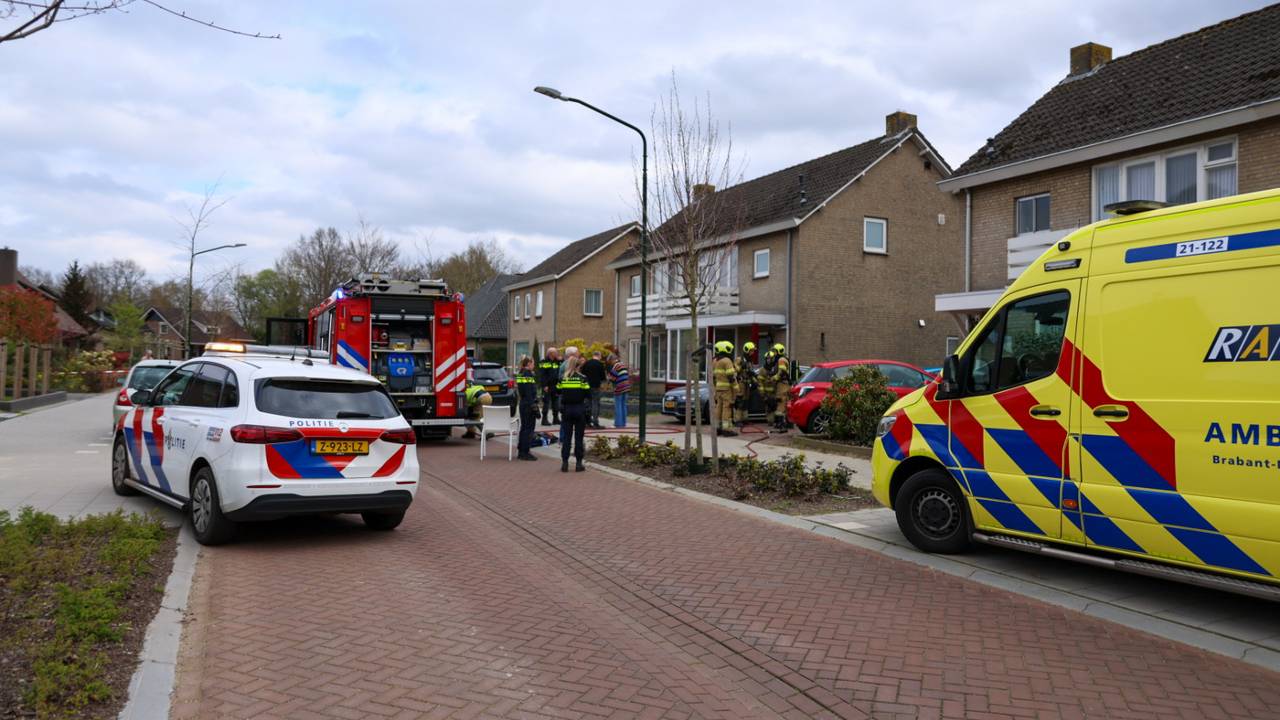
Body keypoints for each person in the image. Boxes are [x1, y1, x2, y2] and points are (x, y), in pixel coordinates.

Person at [557, 356, 590, 472]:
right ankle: (578, 464)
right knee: (578, 438)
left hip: (566, 410)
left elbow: (558, 391)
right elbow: (588, 394)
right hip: (579, 409)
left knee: (567, 437)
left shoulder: (562, 379)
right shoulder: (583, 378)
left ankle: (565, 463)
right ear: (578, 366)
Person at [515, 356, 539, 461]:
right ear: (529, 363)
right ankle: (525, 452)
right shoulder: (527, 374)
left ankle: (522, 450)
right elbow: (529, 391)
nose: (534, 365)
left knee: (524, 427)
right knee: (528, 428)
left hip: (523, 404)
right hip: (528, 405)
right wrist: (533, 406)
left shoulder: (521, 373)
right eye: (533, 363)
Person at [711, 340, 737, 437]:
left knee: (718, 408)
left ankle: (717, 428)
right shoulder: (727, 361)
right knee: (727, 408)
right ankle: (727, 430)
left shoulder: (714, 361)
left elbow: (713, 377)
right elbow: (731, 376)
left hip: (718, 389)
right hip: (727, 389)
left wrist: (715, 388)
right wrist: (736, 389)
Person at [581, 351, 607, 429]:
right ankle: (595, 422)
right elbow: (603, 377)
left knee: (587, 403)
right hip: (596, 386)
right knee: (596, 403)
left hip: (587, 386)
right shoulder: (600, 364)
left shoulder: (587, 363)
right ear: (599, 356)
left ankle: (587, 422)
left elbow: (582, 374)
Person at [770, 342, 792, 433]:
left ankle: (781, 423)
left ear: (779, 351)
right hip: (784, 384)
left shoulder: (781, 359)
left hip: (782, 385)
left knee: (781, 402)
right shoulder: (782, 359)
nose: (774, 353)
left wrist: (775, 377)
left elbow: (782, 371)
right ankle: (785, 422)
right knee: (783, 402)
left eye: (775, 351)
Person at [734, 341, 757, 427]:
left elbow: (750, 372)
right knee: (740, 401)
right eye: (751, 351)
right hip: (741, 383)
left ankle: (744, 419)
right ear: (746, 350)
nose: (752, 352)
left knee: (746, 402)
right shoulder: (740, 359)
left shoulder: (750, 361)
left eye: (753, 351)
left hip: (747, 383)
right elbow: (735, 370)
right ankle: (737, 420)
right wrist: (741, 366)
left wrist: (755, 380)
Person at [538, 347, 561, 426]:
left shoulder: (556, 362)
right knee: (546, 403)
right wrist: (544, 385)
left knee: (556, 402)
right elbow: (542, 375)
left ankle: (556, 418)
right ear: (551, 354)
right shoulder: (544, 362)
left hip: (555, 385)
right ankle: (544, 419)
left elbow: (557, 372)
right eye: (556, 353)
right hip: (547, 386)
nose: (557, 354)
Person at [607, 353, 630, 428]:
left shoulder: (616, 366)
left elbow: (613, 377)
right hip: (626, 386)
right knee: (623, 405)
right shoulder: (623, 365)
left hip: (619, 387)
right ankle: (623, 423)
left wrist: (608, 378)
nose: (610, 363)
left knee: (618, 405)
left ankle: (618, 424)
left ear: (612, 360)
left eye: (610, 361)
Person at [760, 347, 778, 427]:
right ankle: (770, 421)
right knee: (769, 408)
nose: (768, 360)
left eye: (770, 359)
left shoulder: (776, 369)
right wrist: (763, 394)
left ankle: (778, 421)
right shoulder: (762, 370)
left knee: (776, 407)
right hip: (767, 393)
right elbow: (760, 382)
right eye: (767, 359)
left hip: (776, 393)